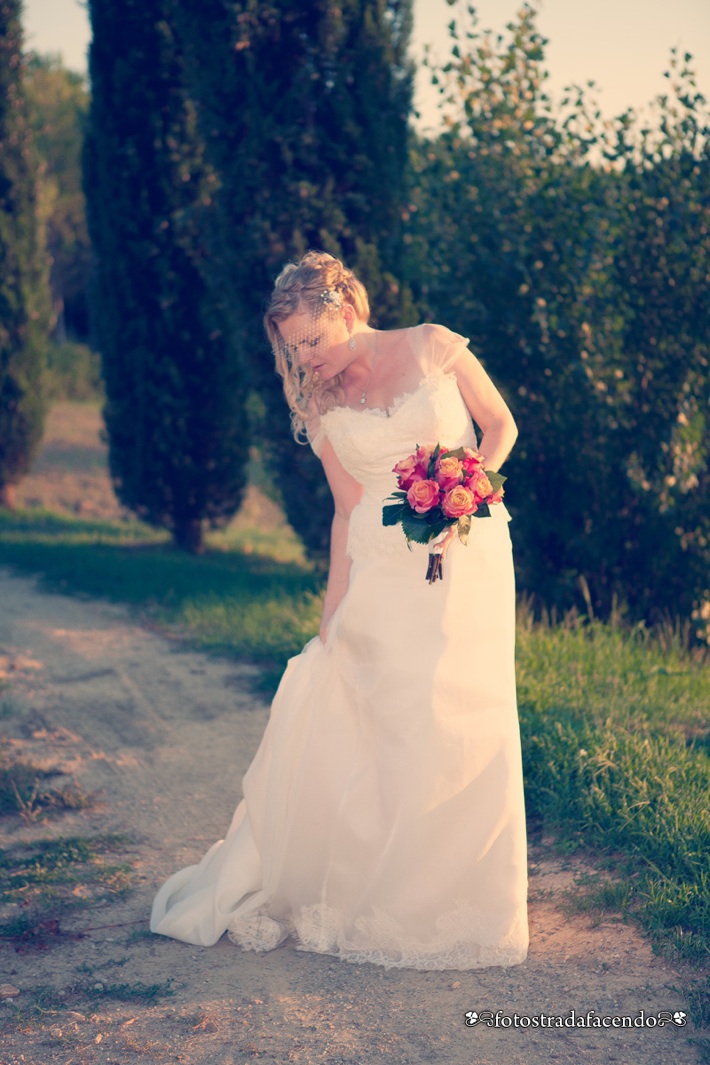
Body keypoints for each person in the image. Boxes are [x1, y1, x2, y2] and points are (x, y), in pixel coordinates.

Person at [150, 251, 528, 970]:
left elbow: (499, 424)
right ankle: (387, 887)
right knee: (396, 719)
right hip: (384, 569)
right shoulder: (318, 404)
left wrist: (468, 487)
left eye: (315, 342)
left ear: (348, 309)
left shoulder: (433, 345)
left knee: (465, 713)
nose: (308, 360)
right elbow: (346, 510)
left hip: (471, 550)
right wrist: (333, 609)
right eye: (294, 350)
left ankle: (465, 893)